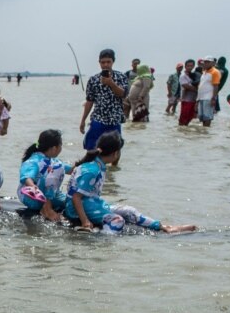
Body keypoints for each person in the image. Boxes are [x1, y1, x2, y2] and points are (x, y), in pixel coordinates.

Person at [65, 132, 196, 234]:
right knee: (118, 220)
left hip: (92, 205)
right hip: (77, 209)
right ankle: (102, 238)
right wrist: (85, 221)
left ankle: (164, 227)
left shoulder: (97, 166)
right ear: (116, 153)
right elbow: (76, 197)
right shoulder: (92, 170)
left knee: (128, 210)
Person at [79, 49, 129, 152]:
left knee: (115, 150)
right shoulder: (93, 79)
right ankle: (93, 167)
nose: (105, 65)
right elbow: (89, 101)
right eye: (103, 62)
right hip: (98, 118)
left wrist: (111, 83)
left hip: (114, 119)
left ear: (113, 62)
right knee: (92, 148)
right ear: (99, 62)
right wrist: (83, 120)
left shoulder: (121, 77)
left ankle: (114, 168)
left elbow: (123, 94)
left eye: (108, 62)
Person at [17, 129, 71, 222]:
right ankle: (47, 208)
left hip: (44, 195)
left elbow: (71, 170)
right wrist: (33, 187)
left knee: (69, 202)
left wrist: (88, 160)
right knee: (58, 168)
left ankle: (49, 204)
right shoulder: (34, 160)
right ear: (54, 148)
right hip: (33, 197)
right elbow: (26, 177)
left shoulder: (53, 160)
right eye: (61, 145)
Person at [195, 57, 221, 127]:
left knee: (207, 117)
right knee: (202, 117)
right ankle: (204, 134)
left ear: (212, 63)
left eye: (208, 62)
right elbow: (201, 86)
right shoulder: (204, 72)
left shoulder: (215, 72)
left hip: (208, 98)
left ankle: (206, 132)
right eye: (205, 62)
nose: (205, 63)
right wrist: (197, 100)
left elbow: (216, 86)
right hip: (201, 98)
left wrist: (213, 98)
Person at [177, 59, 199, 126]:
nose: (190, 67)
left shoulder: (193, 75)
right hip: (186, 100)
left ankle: (186, 134)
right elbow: (187, 86)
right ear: (185, 66)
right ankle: (181, 133)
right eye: (188, 66)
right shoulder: (183, 76)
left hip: (193, 100)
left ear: (193, 66)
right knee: (183, 119)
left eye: (191, 66)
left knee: (190, 118)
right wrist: (199, 90)